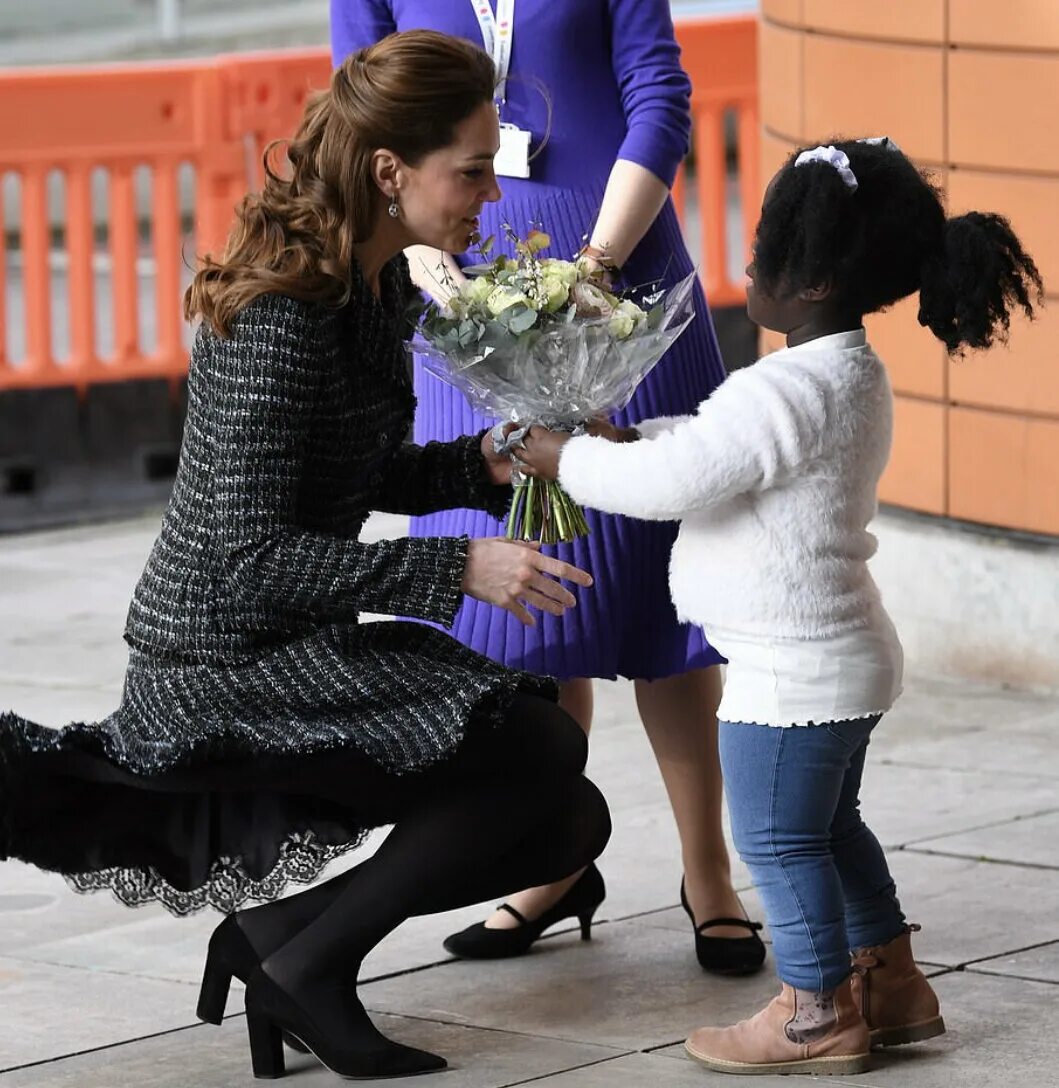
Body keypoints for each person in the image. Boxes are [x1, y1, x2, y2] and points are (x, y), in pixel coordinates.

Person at [0, 31, 613, 1081]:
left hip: (292, 636)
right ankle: (311, 965)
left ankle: (280, 942)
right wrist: (455, 569)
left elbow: (360, 472)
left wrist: (500, 457)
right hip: (217, 662)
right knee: (537, 751)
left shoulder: (371, 289)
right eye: (471, 169)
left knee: (568, 813)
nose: (488, 197)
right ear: (390, 172)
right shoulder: (285, 312)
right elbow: (244, 559)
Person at [516, 137, 1042, 1075]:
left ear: (811, 284)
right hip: (843, 656)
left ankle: (814, 1013)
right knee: (829, 828)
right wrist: (628, 432)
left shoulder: (781, 389)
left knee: (775, 839)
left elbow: (677, 480)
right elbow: (721, 447)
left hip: (787, 672)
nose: (746, 267)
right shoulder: (844, 374)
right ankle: (891, 985)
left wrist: (567, 459)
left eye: (764, 255)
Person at [330, 0, 765, 975]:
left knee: (661, 589)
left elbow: (659, 95)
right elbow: (358, 116)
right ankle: (552, 854)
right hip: (455, 285)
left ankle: (710, 872)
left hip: (622, 280)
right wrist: (421, 259)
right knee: (514, 595)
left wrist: (598, 267)